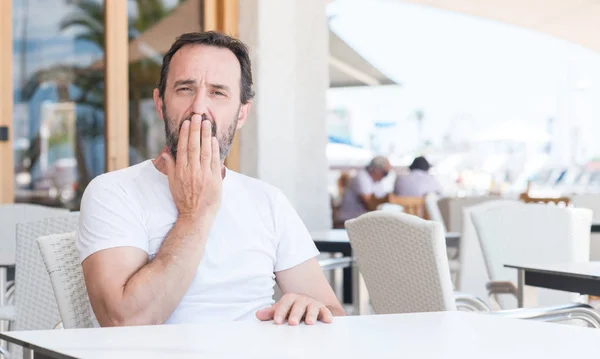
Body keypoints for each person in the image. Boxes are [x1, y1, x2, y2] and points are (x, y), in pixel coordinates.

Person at [77, 32, 344, 327]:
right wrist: (195, 214)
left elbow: (333, 312)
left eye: (218, 92)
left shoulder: (268, 201)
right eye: (185, 89)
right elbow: (124, 322)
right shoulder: (113, 192)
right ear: (160, 102)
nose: (199, 108)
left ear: (242, 113)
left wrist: (311, 307)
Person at [334, 156, 392, 227]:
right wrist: (391, 199)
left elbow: (380, 200)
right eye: (386, 173)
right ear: (376, 170)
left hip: (359, 222)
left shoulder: (376, 181)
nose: (385, 176)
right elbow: (370, 203)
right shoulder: (361, 177)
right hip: (347, 222)